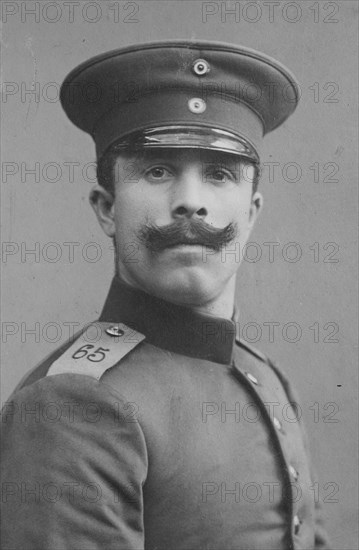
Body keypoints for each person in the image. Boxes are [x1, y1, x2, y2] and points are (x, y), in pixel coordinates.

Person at [1, 40, 331, 549]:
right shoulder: (74, 405)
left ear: (252, 211)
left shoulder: (263, 376)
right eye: (157, 171)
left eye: (219, 174)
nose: (191, 204)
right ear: (107, 208)